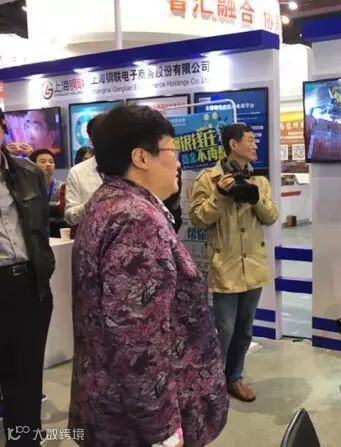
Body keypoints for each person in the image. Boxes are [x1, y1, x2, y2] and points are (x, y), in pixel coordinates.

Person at [68, 105, 228, 446]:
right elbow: (136, 340)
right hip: (135, 424)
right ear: (141, 157)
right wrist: (163, 431)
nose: (178, 162)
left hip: (107, 403)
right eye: (172, 150)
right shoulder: (136, 220)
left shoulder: (107, 202)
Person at [190, 123, 279, 402]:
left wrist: (255, 199)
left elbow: (271, 216)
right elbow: (198, 219)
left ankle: (234, 378)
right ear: (233, 144)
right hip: (225, 266)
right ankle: (212, 382)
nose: (255, 145)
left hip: (253, 266)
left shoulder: (260, 181)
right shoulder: (208, 179)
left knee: (245, 329)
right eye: (250, 140)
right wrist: (220, 195)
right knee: (224, 330)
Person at [0, 108, 55, 446]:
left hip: (27, 285)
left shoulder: (28, 172)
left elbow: (39, 229)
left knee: (27, 374)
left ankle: (25, 439)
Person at [64, 116, 103, 228]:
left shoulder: (132, 168)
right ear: (91, 140)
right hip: (91, 235)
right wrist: (89, 205)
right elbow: (69, 217)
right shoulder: (78, 172)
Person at [29, 148, 66, 237]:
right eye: (43, 162)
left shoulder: (62, 186)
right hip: (34, 230)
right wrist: (53, 206)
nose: (48, 164)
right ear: (33, 165)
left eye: (51, 162)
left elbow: (62, 209)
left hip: (57, 230)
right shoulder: (27, 187)